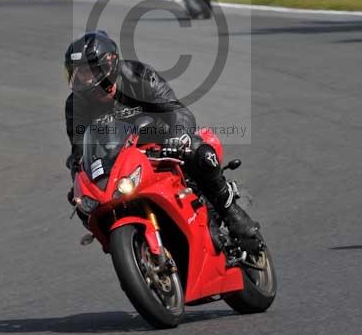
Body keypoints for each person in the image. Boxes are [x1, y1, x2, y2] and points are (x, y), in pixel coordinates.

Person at [64, 30, 258, 241]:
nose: (85, 80)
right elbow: (79, 150)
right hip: (118, 161)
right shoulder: (76, 103)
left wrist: (178, 136)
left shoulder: (139, 75)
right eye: (80, 73)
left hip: (159, 143)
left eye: (89, 71)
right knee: (84, 204)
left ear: (109, 65)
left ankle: (230, 210)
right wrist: (78, 181)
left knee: (199, 151)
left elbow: (177, 111)